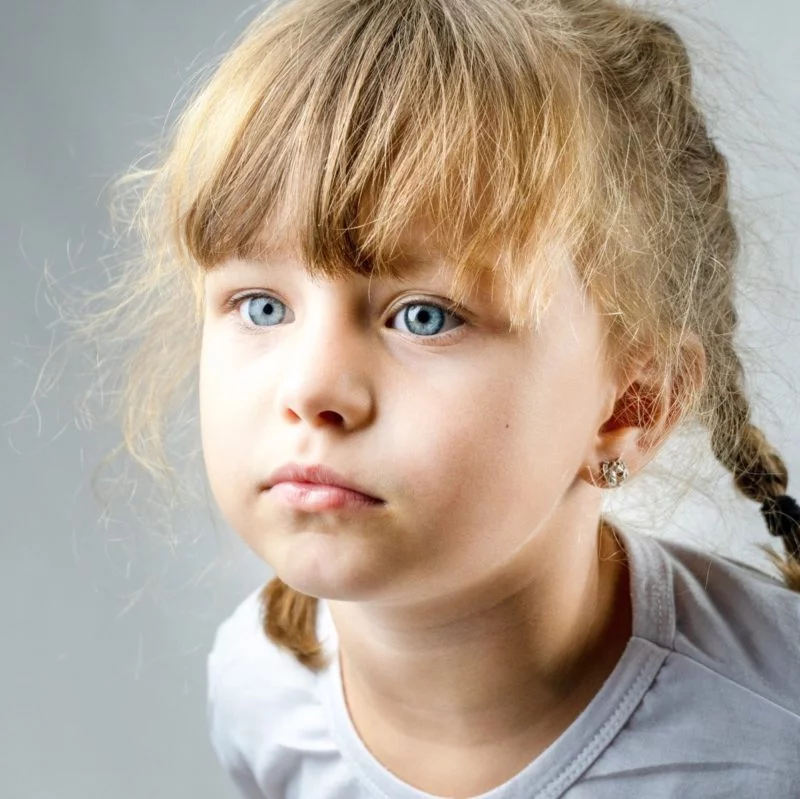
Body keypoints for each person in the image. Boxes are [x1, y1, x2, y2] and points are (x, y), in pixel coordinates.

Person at [68, 0, 800, 796]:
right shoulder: (261, 691)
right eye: (262, 306)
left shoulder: (768, 740)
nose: (310, 388)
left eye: (425, 316)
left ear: (632, 404)